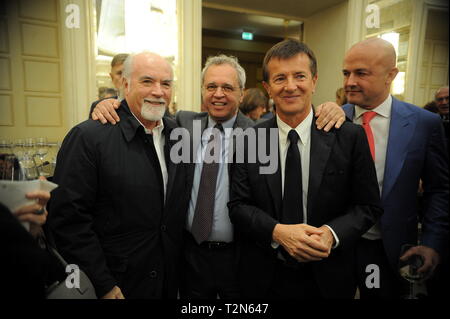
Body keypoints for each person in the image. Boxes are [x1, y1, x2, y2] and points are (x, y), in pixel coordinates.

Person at [90, 54, 348, 299]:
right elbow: (141, 112)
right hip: (188, 254)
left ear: (241, 93)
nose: (218, 94)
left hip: (240, 257)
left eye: (227, 87)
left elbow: (270, 202)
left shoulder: (261, 136)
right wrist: (108, 103)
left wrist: (335, 109)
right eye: (211, 86)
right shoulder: (182, 125)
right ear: (202, 90)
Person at [228, 39, 382, 299]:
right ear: (267, 88)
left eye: (299, 76)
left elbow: (368, 206)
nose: (290, 86)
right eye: (280, 78)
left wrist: (332, 235)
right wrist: (278, 232)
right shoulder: (249, 139)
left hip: (329, 275)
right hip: (264, 275)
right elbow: (238, 205)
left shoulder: (348, 136)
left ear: (314, 80)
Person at [48, 52, 191, 299]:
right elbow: (68, 220)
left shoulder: (179, 136)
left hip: (168, 281)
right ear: (125, 84)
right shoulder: (88, 137)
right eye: (147, 81)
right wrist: (103, 283)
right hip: (118, 285)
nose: (158, 91)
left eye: (166, 84)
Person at [341, 38, 449, 298]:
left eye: (361, 73)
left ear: (391, 75)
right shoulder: (332, 119)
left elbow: (440, 189)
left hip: (388, 249)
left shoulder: (424, 124)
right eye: (346, 73)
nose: (349, 82)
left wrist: (432, 243)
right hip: (336, 248)